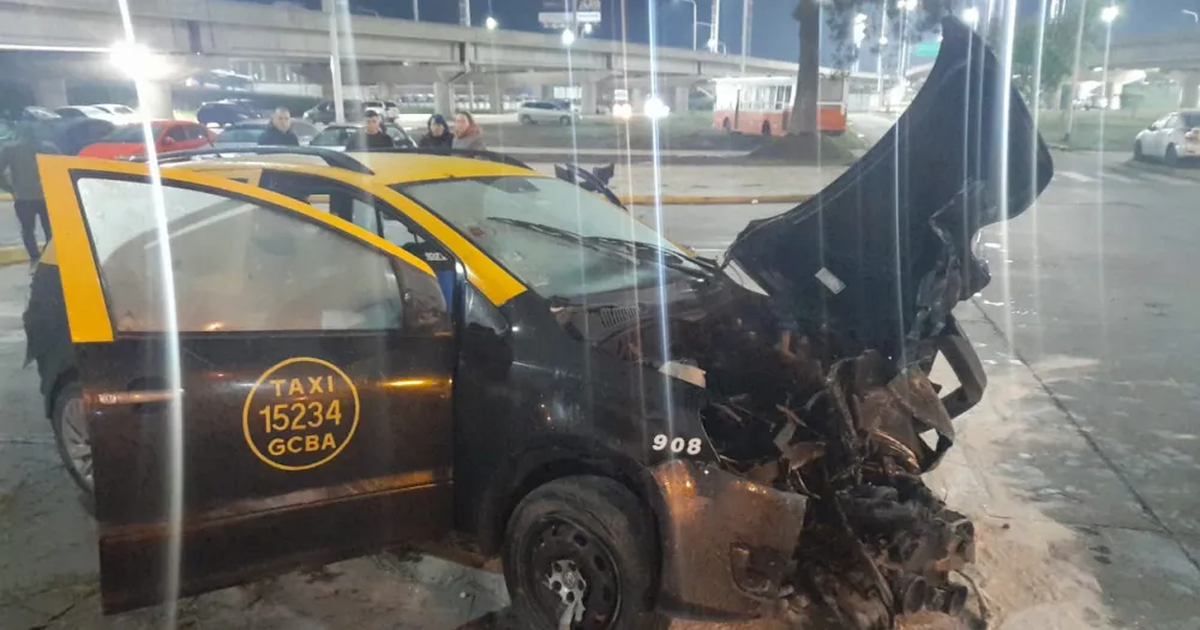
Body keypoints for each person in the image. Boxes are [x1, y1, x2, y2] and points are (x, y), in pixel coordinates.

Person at [0, 124, 57, 264]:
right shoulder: (48, 148)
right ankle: (47, 257)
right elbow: (59, 168)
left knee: (28, 230)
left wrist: (9, 187)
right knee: (51, 231)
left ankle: (35, 258)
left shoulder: (11, 150)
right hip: (46, 195)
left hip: (23, 197)